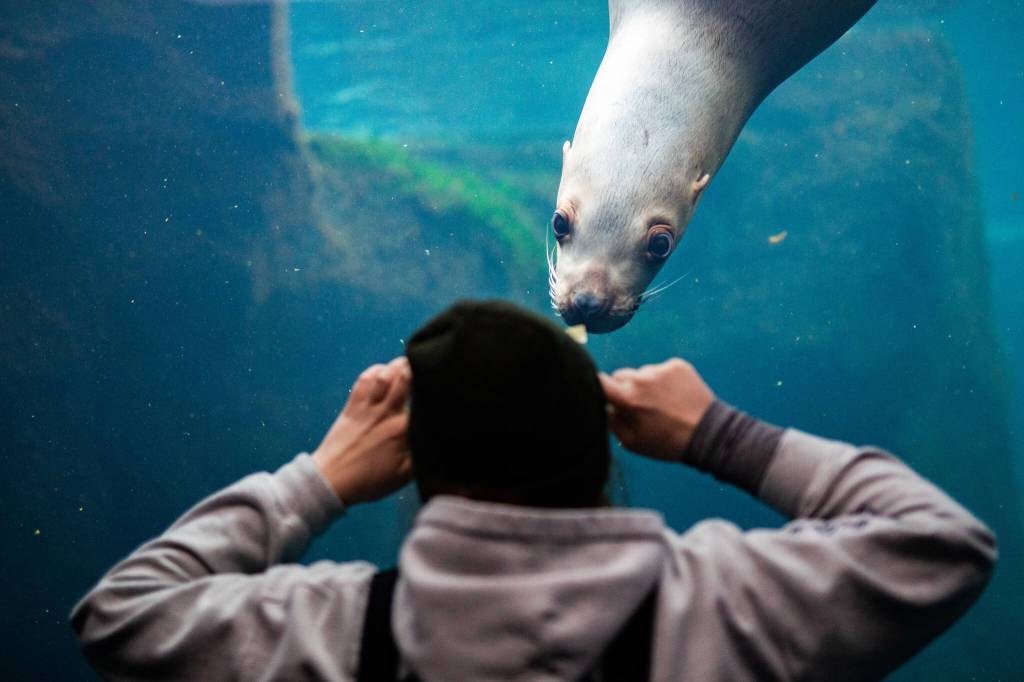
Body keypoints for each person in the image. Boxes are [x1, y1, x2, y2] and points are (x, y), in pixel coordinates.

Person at [71, 300, 996, 681]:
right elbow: (944, 544)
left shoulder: (327, 638)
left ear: (411, 463)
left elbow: (121, 611)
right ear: (601, 449)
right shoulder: (719, 614)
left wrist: (319, 480)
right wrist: (724, 436)